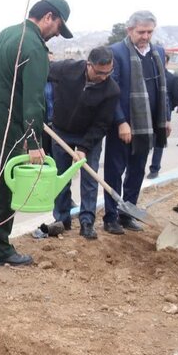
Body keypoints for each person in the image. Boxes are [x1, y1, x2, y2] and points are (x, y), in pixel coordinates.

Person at [0, 0, 73, 266]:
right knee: (4, 186)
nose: (57, 34)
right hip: (1, 127)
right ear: (48, 17)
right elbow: (34, 100)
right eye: (58, 27)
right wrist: (35, 142)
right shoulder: (34, 46)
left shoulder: (7, 34)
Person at [104, 10, 170, 235]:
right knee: (114, 171)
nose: (145, 36)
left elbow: (164, 91)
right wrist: (121, 121)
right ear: (129, 30)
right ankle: (110, 216)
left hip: (147, 126)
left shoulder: (158, 52)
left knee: (137, 171)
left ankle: (127, 214)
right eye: (141, 32)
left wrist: (167, 118)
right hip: (122, 126)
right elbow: (111, 92)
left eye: (149, 32)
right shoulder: (117, 53)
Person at [48, 46, 120, 239]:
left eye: (108, 72)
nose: (104, 77)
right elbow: (43, 71)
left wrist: (84, 147)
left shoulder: (111, 90)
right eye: (100, 72)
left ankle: (87, 221)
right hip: (61, 132)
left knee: (89, 180)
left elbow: (102, 124)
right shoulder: (67, 69)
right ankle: (61, 219)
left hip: (89, 137)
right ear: (89, 65)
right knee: (61, 177)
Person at [147, 54, 178, 179]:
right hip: (147, 115)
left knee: (159, 143)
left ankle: (155, 168)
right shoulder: (149, 76)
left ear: (166, 63)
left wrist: (167, 112)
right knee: (145, 143)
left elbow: (177, 96)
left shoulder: (171, 78)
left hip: (162, 116)